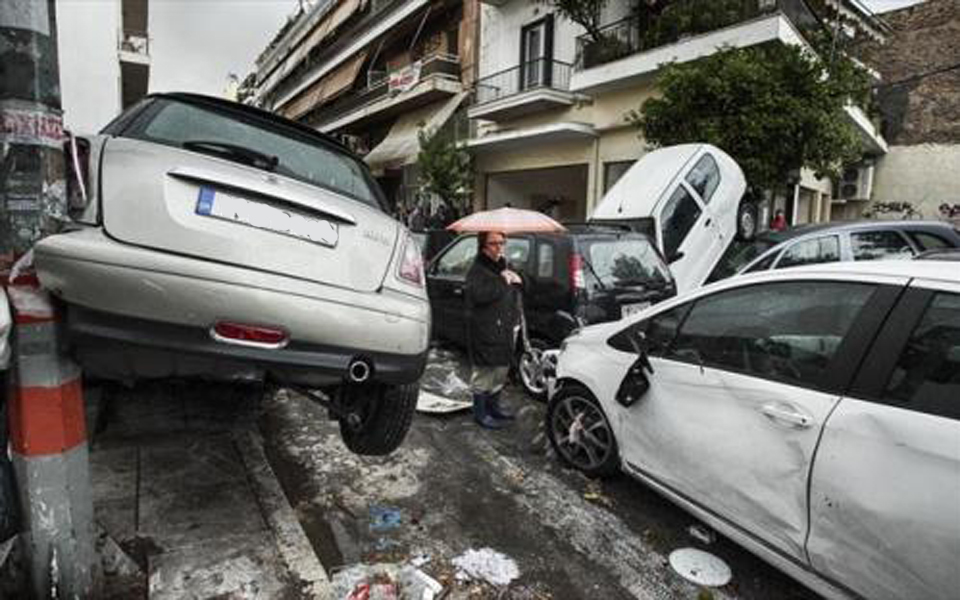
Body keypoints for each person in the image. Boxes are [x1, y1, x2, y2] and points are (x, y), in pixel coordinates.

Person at [464, 230, 522, 429]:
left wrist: (517, 279)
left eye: (502, 242)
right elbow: (479, 296)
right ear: (483, 246)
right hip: (485, 329)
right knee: (484, 373)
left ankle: (494, 408)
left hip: (504, 328)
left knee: (500, 371)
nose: (499, 247)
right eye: (494, 243)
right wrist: (501, 281)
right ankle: (481, 414)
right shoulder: (476, 270)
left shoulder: (504, 266)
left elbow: (517, 289)